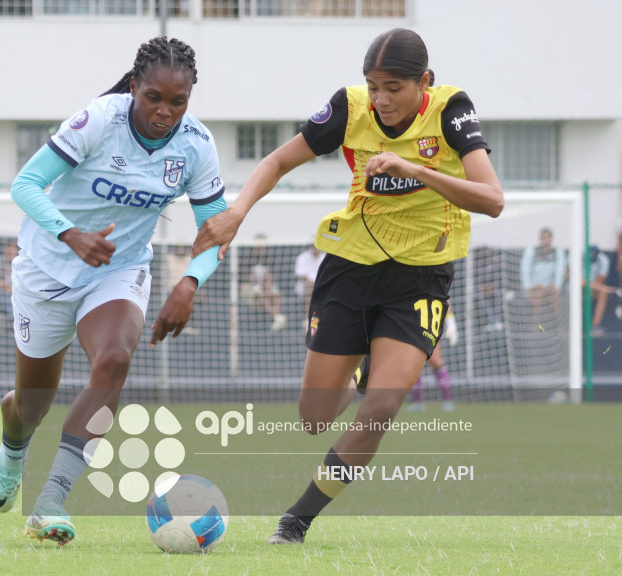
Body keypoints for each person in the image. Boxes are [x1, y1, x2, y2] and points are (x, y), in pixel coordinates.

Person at [192, 28, 503, 544]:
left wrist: (414, 169)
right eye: (373, 85)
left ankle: (296, 520)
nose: (381, 100)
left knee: (381, 407)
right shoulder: (350, 109)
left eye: (394, 88)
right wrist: (236, 212)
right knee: (314, 418)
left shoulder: (452, 111)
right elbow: (276, 162)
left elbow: (492, 199)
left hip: (422, 278)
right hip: (350, 270)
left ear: (424, 81)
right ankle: (362, 371)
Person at [0, 37, 227, 547]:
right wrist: (71, 234)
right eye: (154, 98)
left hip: (117, 272)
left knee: (115, 360)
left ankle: (50, 500)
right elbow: (25, 185)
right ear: (135, 87)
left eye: (178, 102)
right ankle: (12, 450)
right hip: (47, 268)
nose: (165, 112)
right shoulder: (99, 120)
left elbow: (214, 232)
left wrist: (189, 281)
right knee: (30, 406)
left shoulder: (197, 146)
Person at [407, 308, 457, 412]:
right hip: (411, 323)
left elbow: (445, 299)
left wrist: (451, 322)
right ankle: (418, 402)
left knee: (435, 361)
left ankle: (447, 401)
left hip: (429, 323)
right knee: (414, 362)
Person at [240, 235, 288, 331]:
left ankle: (277, 320)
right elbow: (246, 278)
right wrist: (260, 287)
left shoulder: (269, 258)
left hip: (265, 285)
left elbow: (270, 276)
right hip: (252, 286)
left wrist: (267, 288)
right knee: (262, 297)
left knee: (276, 295)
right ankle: (278, 317)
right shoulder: (248, 258)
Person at [520, 227, 566, 318]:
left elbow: (560, 273)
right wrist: (529, 286)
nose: (546, 240)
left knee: (554, 294)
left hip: (549, 287)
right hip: (534, 287)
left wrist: (555, 286)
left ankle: (558, 323)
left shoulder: (558, 253)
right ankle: (537, 324)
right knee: (538, 295)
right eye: (543, 238)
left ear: (551, 239)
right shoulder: (531, 252)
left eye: (548, 238)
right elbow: (524, 271)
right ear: (540, 239)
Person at [294, 242, 325, 326]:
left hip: (321, 285)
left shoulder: (325, 258)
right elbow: (301, 275)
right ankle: (308, 319)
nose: (316, 249)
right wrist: (312, 284)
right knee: (309, 288)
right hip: (305, 286)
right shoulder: (302, 257)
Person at [584, 245, 611, 336]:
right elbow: (577, 282)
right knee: (602, 289)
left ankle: (595, 326)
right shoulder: (578, 257)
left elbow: (600, 280)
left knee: (602, 293)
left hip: (594, 288)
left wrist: (596, 287)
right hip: (580, 289)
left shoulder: (603, 260)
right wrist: (596, 287)